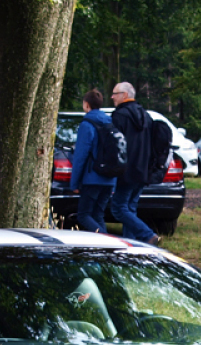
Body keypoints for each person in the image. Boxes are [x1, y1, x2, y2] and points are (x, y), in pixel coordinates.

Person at [108, 81, 159, 245]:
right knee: (130, 207)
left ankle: (147, 234)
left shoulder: (119, 116)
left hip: (126, 170)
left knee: (118, 208)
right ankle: (131, 244)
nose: (112, 97)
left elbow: (114, 144)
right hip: (142, 169)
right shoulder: (146, 116)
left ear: (124, 95)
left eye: (115, 94)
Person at [68, 88, 115, 233]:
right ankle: (105, 251)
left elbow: (81, 155)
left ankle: (107, 241)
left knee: (83, 215)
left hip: (92, 177)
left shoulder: (87, 124)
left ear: (86, 104)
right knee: (98, 214)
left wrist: (74, 183)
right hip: (109, 177)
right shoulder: (110, 122)